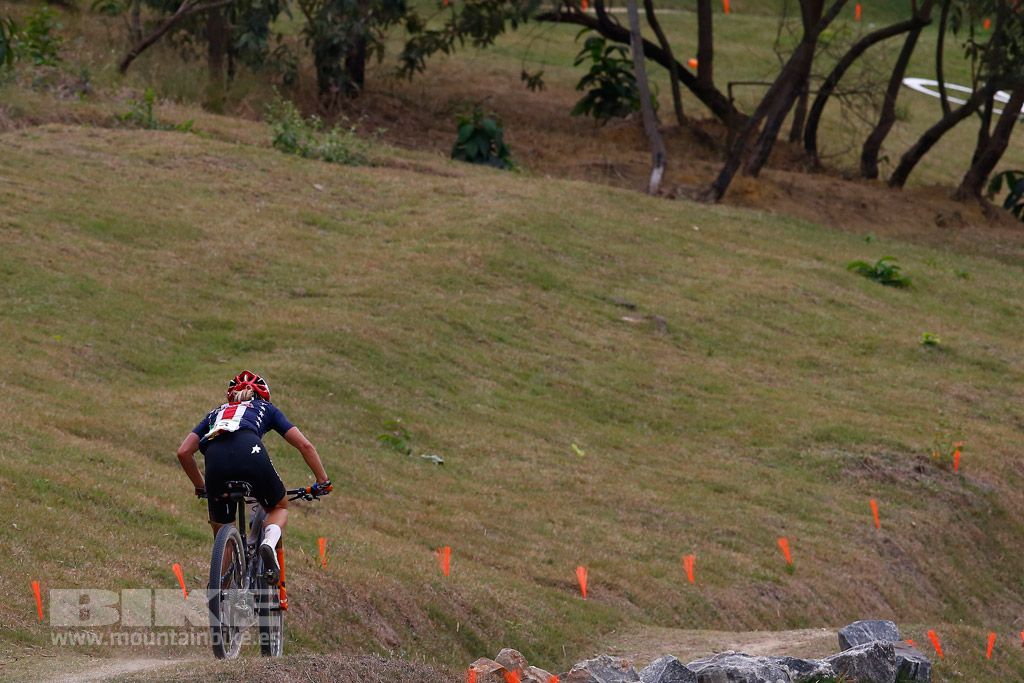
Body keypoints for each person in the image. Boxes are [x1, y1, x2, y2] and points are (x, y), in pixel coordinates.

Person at [175, 370, 330, 599]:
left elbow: (184, 452)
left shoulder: (215, 414)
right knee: (279, 507)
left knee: (222, 533)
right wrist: (322, 481)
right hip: (251, 452)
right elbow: (305, 446)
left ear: (231, 397)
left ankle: (219, 593)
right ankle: (268, 542)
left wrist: (201, 486)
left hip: (215, 461)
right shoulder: (266, 409)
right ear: (263, 396)